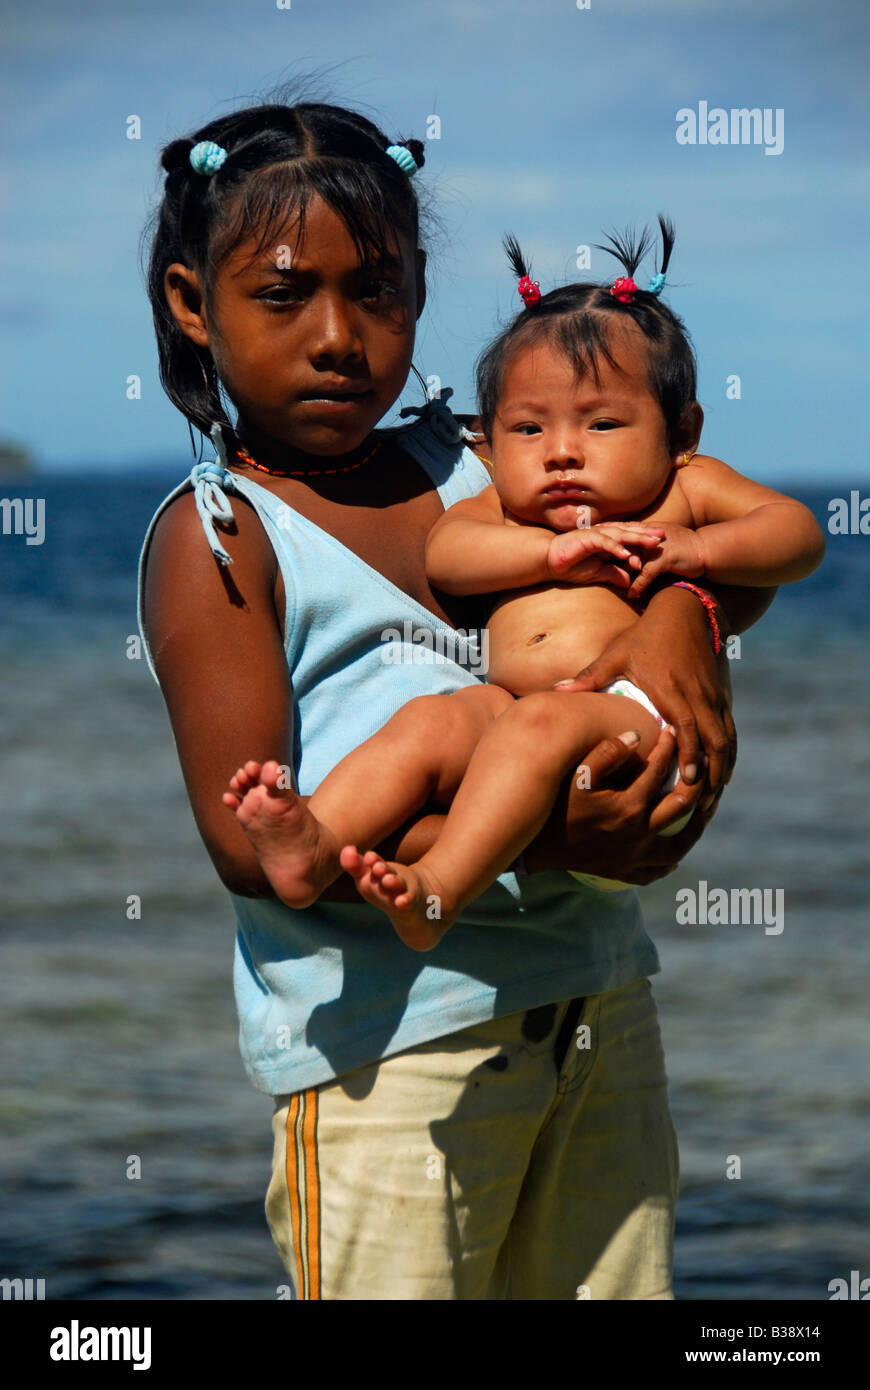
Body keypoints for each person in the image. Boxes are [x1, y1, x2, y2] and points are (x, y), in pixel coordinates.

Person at [138, 94, 774, 1300]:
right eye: (283, 295)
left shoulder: (494, 459)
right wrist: (554, 828)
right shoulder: (222, 539)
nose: (339, 335)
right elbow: (246, 838)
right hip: (392, 1055)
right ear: (192, 303)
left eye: (375, 291)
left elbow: (698, 551)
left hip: (595, 1006)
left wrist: (687, 626)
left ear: (422, 289)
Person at [223, 218, 824, 941]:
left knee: (533, 724)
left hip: (637, 730)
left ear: (683, 432)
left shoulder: (683, 491)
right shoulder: (508, 509)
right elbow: (448, 554)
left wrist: (694, 553)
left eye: (601, 425)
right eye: (529, 429)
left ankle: (439, 889)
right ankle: (315, 845)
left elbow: (798, 534)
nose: (561, 453)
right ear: (489, 433)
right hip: (517, 716)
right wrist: (548, 556)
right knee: (436, 721)